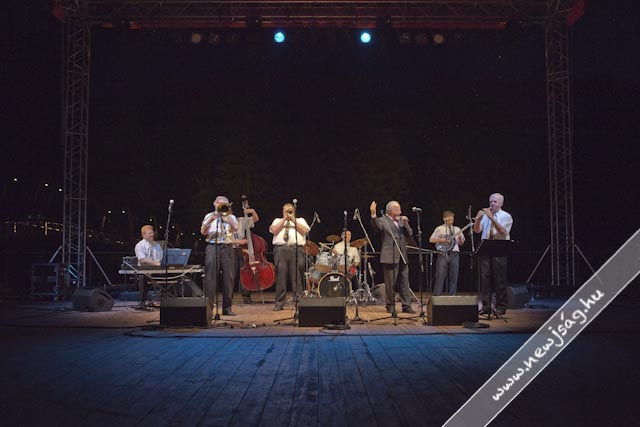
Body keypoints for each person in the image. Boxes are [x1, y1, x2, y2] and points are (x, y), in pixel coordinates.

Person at [369, 200, 415, 314]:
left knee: (404, 282)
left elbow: (410, 234)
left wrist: (406, 223)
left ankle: (406, 305)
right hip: (390, 255)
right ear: (390, 210)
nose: (400, 211)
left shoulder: (401, 221)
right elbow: (377, 227)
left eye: (400, 209)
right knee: (391, 283)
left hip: (402, 255)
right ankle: (390, 305)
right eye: (397, 209)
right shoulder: (383, 220)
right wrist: (373, 214)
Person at [473, 193, 514, 316]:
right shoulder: (486, 216)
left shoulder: (506, 216)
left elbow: (502, 231)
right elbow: (477, 230)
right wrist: (478, 219)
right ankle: (486, 306)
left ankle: (501, 306)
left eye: (495, 202)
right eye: (491, 201)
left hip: (499, 247)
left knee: (499, 278)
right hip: (486, 246)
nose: (492, 204)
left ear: (501, 203)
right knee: (484, 278)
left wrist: (492, 218)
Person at [200, 195, 240, 316]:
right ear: (214, 203)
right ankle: (209, 308)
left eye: (223, 203)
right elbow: (203, 232)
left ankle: (227, 308)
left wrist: (227, 218)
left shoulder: (231, 217)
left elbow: (236, 228)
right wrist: (211, 220)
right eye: (218, 202)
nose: (220, 204)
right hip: (212, 247)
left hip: (227, 247)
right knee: (210, 277)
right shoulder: (208, 216)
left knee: (229, 278)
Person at [269, 202, 309, 311]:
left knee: (297, 277)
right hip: (281, 249)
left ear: (294, 211)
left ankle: (299, 302)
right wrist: (284, 219)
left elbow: (304, 231)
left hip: (296, 249)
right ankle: (279, 303)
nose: (288, 212)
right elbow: (274, 230)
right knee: (281, 277)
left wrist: (292, 219)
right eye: (286, 210)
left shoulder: (300, 220)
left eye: (290, 210)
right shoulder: (277, 220)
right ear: (282, 211)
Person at [429, 210, 465, 296]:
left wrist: (460, 239)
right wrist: (441, 240)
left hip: (454, 254)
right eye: (448, 220)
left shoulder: (457, 229)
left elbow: (461, 243)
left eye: (452, 219)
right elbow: (431, 240)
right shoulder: (439, 229)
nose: (450, 221)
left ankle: (452, 296)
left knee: (454, 276)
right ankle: (437, 296)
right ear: (444, 219)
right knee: (440, 275)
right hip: (442, 253)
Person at [233, 204, 260, 304]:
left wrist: (252, 211)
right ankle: (228, 298)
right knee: (231, 276)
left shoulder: (241, 221)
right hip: (229, 250)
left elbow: (256, 219)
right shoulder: (223, 222)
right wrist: (238, 242)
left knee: (245, 274)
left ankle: (246, 296)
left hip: (241, 250)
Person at [134, 224, 163, 309]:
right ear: (143, 235)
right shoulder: (139, 245)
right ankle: (142, 301)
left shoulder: (157, 245)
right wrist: (155, 263)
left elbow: (160, 258)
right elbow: (142, 259)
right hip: (144, 271)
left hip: (156, 271)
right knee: (143, 277)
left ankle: (169, 299)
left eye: (152, 233)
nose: (152, 235)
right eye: (149, 233)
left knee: (169, 275)